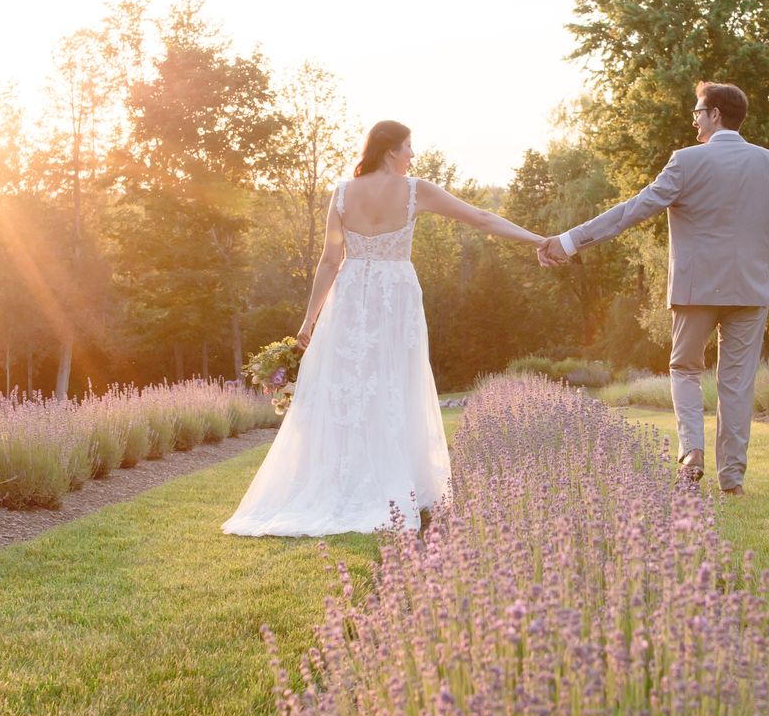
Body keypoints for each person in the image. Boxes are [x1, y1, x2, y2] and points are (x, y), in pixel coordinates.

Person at [223, 120, 544, 535]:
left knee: (351, 386)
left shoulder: (342, 193)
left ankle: (344, 483)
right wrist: (540, 240)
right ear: (392, 150)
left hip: (349, 296)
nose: (412, 154)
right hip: (395, 296)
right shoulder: (414, 190)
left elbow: (330, 260)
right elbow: (481, 218)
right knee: (395, 385)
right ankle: (388, 484)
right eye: (408, 147)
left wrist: (309, 319)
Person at [538, 82, 769, 495]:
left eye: (698, 112)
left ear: (715, 114)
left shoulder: (686, 161)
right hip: (751, 290)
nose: (694, 120)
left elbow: (632, 211)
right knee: (737, 384)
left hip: (695, 289)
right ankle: (732, 479)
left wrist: (570, 242)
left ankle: (691, 453)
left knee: (685, 370)